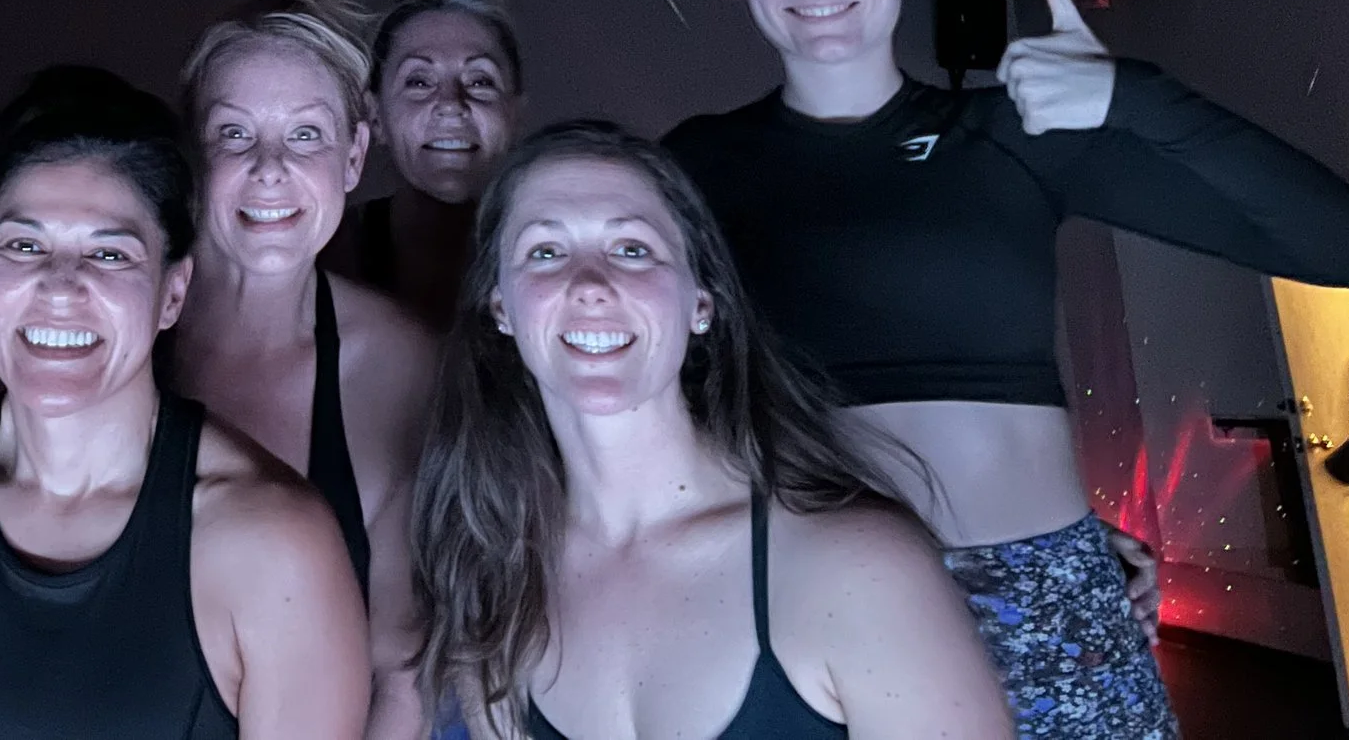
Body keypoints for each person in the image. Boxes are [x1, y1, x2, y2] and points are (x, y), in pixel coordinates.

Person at [666, 0, 1349, 740]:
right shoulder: (691, 167)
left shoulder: (1013, 131)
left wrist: (1134, 95)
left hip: (1051, 601)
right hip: (815, 599)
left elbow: (1338, 242)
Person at [410, 120, 1011, 740]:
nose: (589, 284)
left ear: (702, 302)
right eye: (545, 252)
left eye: (632, 249)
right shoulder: (496, 580)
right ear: (501, 307)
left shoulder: (859, 567)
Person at [0, 66, 370, 740]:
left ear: (172, 292)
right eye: (25, 245)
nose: (60, 287)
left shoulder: (272, 542)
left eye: (110, 254)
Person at [166, 0, 438, 728]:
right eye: (235, 135)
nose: (272, 168)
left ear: (354, 156)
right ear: (194, 157)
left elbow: (402, 672)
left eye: (307, 136)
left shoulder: (403, 362)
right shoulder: (106, 330)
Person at [329, 0, 528, 330]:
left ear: (514, 113)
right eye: (419, 81)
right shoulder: (325, 257)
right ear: (376, 117)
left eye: (480, 81)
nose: (451, 105)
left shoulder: (556, 252)